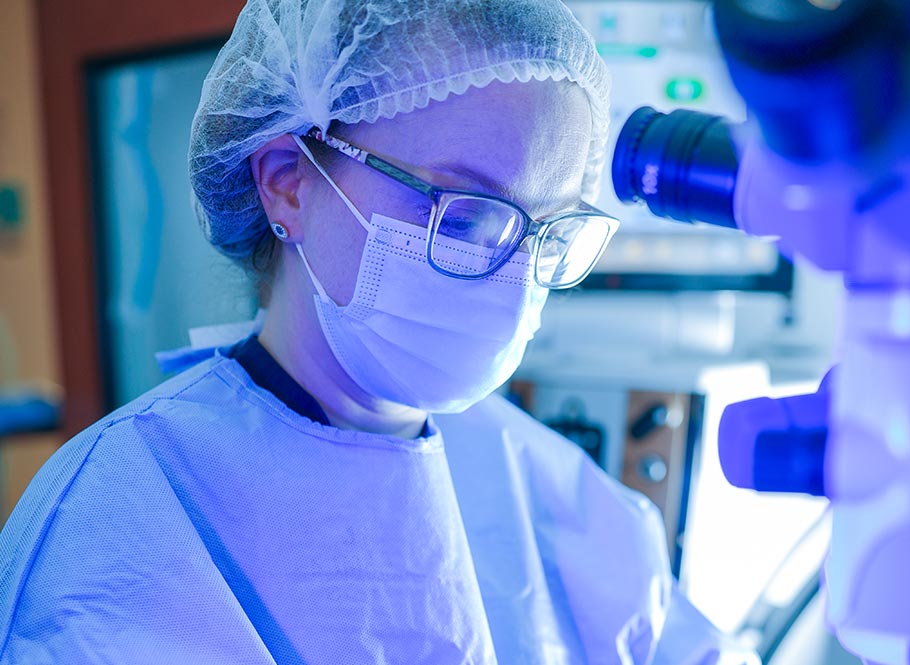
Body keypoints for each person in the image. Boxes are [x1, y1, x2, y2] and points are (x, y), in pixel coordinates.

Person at [0, 1, 757, 663]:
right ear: (287, 182)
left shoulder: (543, 481)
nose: (510, 275)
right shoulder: (124, 510)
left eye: (546, 231)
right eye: (460, 213)